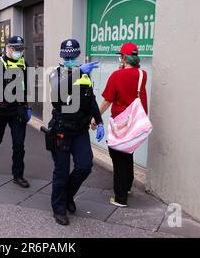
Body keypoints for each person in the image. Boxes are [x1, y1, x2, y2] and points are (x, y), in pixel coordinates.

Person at [48, 39, 105, 226]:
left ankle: (67, 195)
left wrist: (100, 120)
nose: (70, 59)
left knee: (84, 166)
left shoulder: (85, 75)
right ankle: (59, 207)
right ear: (62, 56)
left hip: (80, 130)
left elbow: (92, 100)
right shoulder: (56, 74)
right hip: (61, 129)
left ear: (78, 55)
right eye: (67, 56)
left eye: (73, 56)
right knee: (62, 171)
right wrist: (78, 71)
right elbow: (57, 98)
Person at [95, 42, 148, 208]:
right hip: (134, 123)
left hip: (119, 123)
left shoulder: (116, 76)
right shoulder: (142, 74)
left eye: (121, 56)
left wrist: (95, 118)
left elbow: (107, 101)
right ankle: (127, 187)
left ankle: (120, 197)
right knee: (128, 153)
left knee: (118, 159)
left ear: (124, 58)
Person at [0, 36, 32, 188]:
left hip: (18, 110)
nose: (19, 52)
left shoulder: (24, 64)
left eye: (21, 49)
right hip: (0, 109)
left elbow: (25, 89)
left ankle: (18, 175)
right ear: (8, 48)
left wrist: (27, 107)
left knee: (19, 144)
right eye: (16, 49)